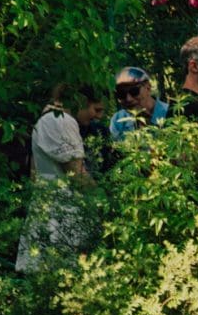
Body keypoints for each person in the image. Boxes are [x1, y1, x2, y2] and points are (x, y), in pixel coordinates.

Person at [17, 81, 107, 273]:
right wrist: (106, 204)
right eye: (96, 109)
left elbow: (34, 175)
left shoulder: (46, 119)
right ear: (81, 101)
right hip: (60, 212)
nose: (99, 116)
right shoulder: (61, 121)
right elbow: (77, 175)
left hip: (47, 205)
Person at [109, 66, 165, 141]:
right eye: (121, 94)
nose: (128, 99)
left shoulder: (172, 113)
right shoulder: (118, 120)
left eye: (134, 91)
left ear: (148, 88)